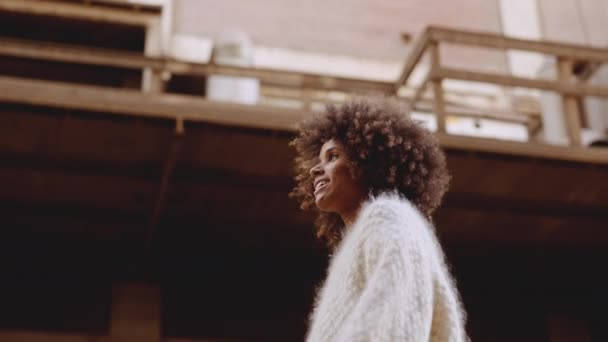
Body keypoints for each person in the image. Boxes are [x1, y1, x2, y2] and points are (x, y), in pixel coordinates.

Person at [290, 97, 468, 342]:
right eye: (319, 161)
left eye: (332, 157)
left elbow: (396, 322)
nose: (315, 170)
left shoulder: (388, 217)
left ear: (367, 163)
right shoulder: (357, 243)